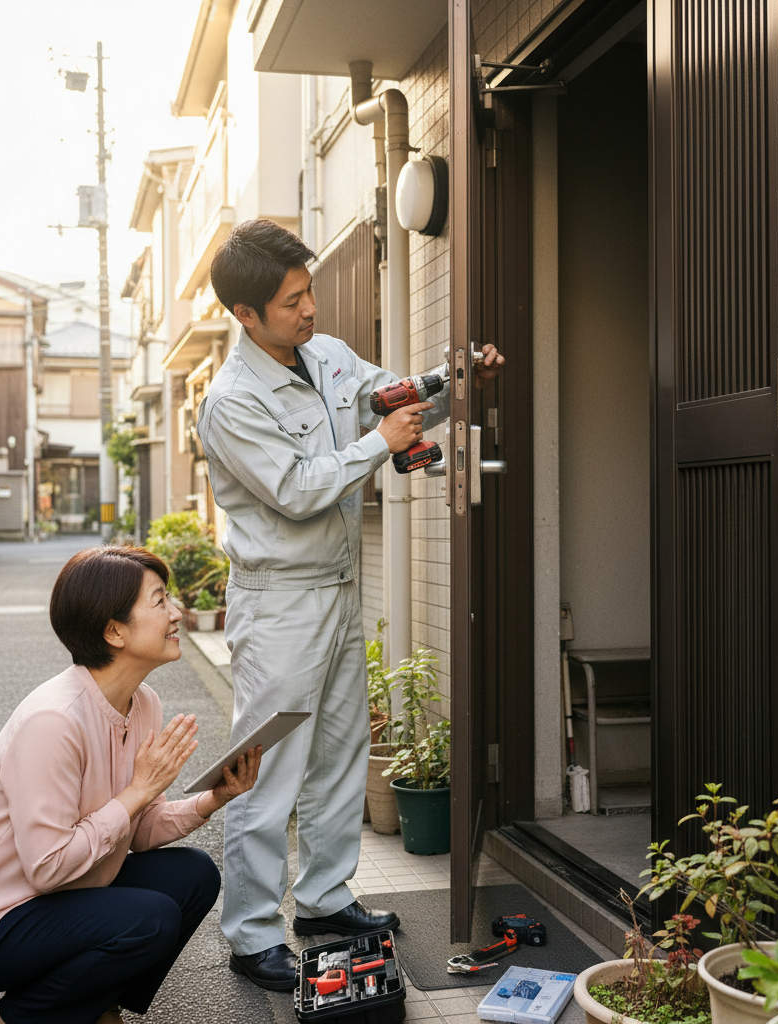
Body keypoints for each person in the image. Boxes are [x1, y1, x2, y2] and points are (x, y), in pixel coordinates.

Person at [197, 218, 505, 990]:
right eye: (292, 300)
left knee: (340, 756)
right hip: (279, 603)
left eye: (308, 293)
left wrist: (453, 379)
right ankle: (251, 932)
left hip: (336, 589)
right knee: (268, 773)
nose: (309, 310)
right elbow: (300, 490)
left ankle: (324, 901)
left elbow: (388, 397)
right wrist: (381, 442)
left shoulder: (328, 355)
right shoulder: (231, 402)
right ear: (246, 314)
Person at [0, 545, 262, 1024]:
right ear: (114, 630)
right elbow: (46, 867)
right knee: (152, 920)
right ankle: (15, 1018)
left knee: (194, 876)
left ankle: (94, 1001)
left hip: (60, 895)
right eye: (160, 601)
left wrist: (214, 798)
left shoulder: (142, 702)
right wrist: (137, 792)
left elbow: (136, 830)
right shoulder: (53, 720)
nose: (177, 613)